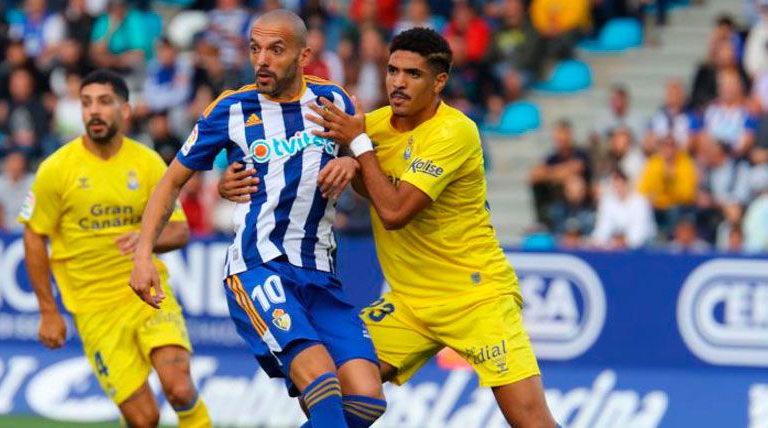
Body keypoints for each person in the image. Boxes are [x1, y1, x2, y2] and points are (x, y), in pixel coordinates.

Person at [226, 27, 559, 428]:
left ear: (439, 82)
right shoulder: (370, 125)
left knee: (532, 422)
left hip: (476, 298)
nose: (398, 83)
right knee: (333, 384)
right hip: (408, 304)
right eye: (392, 70)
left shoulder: (455, 132)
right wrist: (232, 180)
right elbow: (292, 160)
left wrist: (358, 150)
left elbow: (395, 211)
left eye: (413, 74)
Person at [129, 10, 384, 428]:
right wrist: (142, 254)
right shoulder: (231, 109)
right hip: (259, 267)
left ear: (304, 56)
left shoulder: (333, 101)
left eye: (275, 50)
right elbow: (169, 182)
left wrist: (354, 165)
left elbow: (367, 171)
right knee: (323, 388)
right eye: (255, 48)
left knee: (367, 400)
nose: (262, 59)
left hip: (320, 273)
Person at [20, 69, 211, 428]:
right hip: (94, 309)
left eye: (105, 102)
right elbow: (33, 235)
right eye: (87, 102)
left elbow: (181, 230)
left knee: (180, 388)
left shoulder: (148, 162)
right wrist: (48, 311)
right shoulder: (56, 169)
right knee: (144, 419)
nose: (94, 111)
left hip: (147, 294)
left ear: (126, 110)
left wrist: (147, 238)